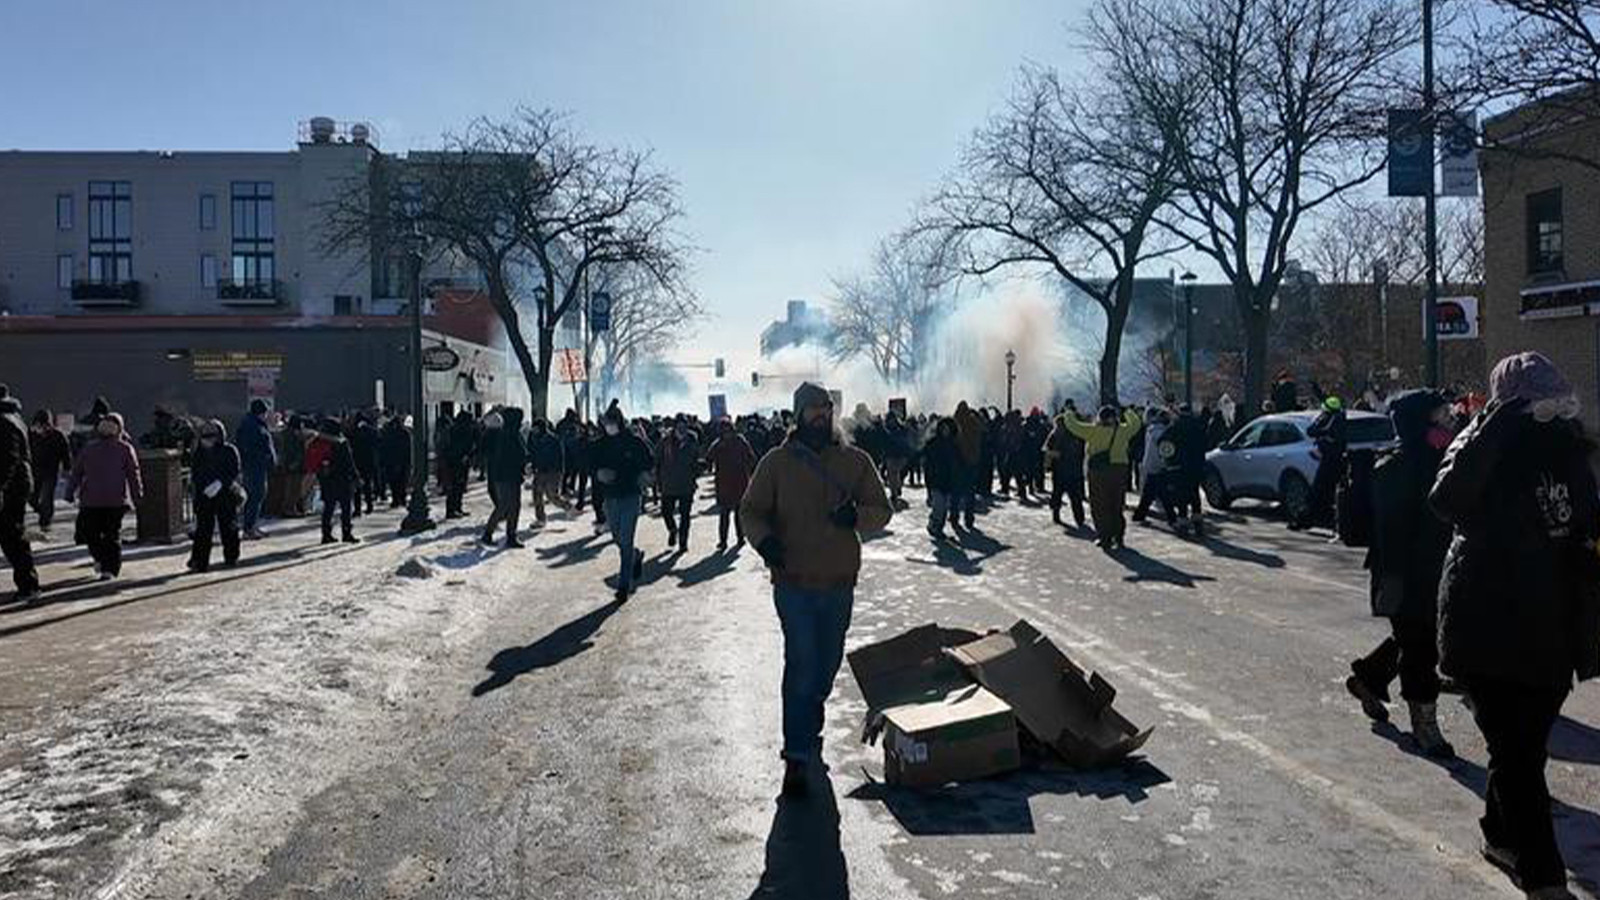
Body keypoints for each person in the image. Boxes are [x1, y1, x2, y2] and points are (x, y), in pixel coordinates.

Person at [1430, 353, 1599, 900]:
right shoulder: (1479, 447)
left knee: (1522, 751)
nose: (1541, 414)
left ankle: (1499, 836)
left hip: (1552, 630)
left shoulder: (1572, 453)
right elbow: (1445, 501)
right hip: (1487, 626)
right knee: (1518, 757)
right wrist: (1492, 427)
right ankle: (1546, 878)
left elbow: (1588, 531)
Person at [740, 382, 892, 797]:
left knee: (825, 665)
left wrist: (856, 517)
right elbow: (751, 510)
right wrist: (765, 541)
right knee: (802, 662)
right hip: (793, 582)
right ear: (797, 415)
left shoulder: (855, 461)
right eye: (811, 410)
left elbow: (882, 510)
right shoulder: (776, 463)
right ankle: (797, 753)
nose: (819, 415)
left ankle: (810, 722)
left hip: (839, 580)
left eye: (825, 408)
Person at [1344, 390, 1456, 757]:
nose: (1447, 420)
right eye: (1439, 415)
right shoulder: (1395, 467)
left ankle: (1369, 677)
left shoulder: (1444, 459)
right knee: (1421, 646)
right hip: (1404, 573)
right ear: (1419, 422)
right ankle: (1425, 726)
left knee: (1414, 638)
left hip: (1437, 568)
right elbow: (1394, 533)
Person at [66, 412, 142, 580]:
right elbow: (133, 474)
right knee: (111, 535)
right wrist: (137, 496)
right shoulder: (124, 449)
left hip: (92, 499)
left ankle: (103, 561)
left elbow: (76, 472)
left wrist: (70, 491)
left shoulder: (90, 448)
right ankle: (110, 567)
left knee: (92, 534)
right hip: (114, 500)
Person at [593, 405, 654, 601]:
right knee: (617, 538)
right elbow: (588, 462)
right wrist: (598, 473)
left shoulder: (634, 442)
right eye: (606, 423)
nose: (609, 426)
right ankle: (636, 556)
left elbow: (649, 461)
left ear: (619, 422)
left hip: (631, 495)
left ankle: (623, 586)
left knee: (625, 540)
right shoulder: (601, 444)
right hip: (610, 497)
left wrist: (644, 475)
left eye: (612, 422)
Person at [1063, 405, 1143, 549]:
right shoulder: (1123, 431)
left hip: (1099, 472)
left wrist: (1069, 412)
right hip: (1120, 470)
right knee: (1117, 504)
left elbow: (1073, 426)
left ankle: (1104, 537)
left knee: (1100, 504)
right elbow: (1136, 424)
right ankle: (1118, 537)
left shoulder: (1093, 431)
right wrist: (1127, 411)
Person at [0, 386, 40, 602]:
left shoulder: (4, 421)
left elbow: (8, 458)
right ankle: (28, 584)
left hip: (11, 487)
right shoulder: (14, 418)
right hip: (17, 484)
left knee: (12, 535)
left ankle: (29, 585)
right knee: (12, 535)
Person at [187, 419, 243, 572]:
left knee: (229, 527)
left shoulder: (229, 450)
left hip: (225, 493)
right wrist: (203, 488)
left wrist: (220, 483)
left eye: (212, 435)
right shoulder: (199, 452)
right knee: (203, 529)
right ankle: (199, 561)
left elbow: (233, 471)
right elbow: (196, 472)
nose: (208, 439)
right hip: (205, 495)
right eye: (205, 435)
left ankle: (231, 556)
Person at [1293, 396, 1348, 531]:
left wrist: (1323, 432)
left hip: (1329, 460)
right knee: (1334, 492)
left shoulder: (1328, 419)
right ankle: (1331, 520)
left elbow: (1311, 430)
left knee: (1318, 491)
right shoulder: (1341, 418)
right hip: (1342, 460)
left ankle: (1307, 520)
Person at [307, 418, 360, 545]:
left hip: (327, 479)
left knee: (329, 507)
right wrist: (356, 476)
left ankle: (326, 534)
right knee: (345, 507)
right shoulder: (341, 442)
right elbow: (349, 462)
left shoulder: (319, 440)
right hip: (342, 479)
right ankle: (346, 533)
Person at [480, 408, 528, 548]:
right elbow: (517, 454)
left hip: (504, 475)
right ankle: (502, 535)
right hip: (509, 475)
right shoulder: (510, 435)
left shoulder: (506, 433)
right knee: (509, 506)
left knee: (507, 506)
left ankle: (497, 534)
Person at [708, 419, 757, 551]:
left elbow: (751, 458)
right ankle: (725, 541)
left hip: (737, 482)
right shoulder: (720, 444)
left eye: (727, 430)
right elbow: (709, 458)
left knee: (736, 513)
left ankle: (739, 538)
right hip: (728, 483)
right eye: (724, 431)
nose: (726, 433)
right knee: (726, 514)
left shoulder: (736, 441)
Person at [657, 417, 701, 551]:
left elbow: (696, 459)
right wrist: (658, 480)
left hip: (686, 484)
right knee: (666, 512)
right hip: (668, 484)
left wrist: (697, 471)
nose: (682, 429)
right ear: (675, 427)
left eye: (684, 426)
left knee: (685, 515)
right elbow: (658, 460)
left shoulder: (692, 439)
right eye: (679, 426)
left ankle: (683, 542)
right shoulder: (666, 441)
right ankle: (672, 529)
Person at [236, 399, 277, 539]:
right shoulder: (252, 426)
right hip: (254, 467)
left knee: (257, 496)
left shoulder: (253, 424)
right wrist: (265, 457)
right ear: (261, 412)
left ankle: (252, 526)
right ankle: (249, 528)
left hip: (256, 466)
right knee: (255, 496)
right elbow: (252, 447)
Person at [1045, 401, 1087, 529]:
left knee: (1057, 493)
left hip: (1059, 469)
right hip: (1074, 469)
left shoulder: (1055, 434)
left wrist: (1050, 463)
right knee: (1075, 496)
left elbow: (1047, 450)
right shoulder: (1077, 433)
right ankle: (1079, 519)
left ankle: (1056, 515)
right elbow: (1082, 450)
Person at [28, 409, 70, 532]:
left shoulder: (58, 436)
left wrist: (67, 467)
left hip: (51, 471)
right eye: (39, 425)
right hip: (34, 470)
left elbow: (65, 452)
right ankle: (41, 511)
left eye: (44, 425)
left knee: (47, 496)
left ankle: (45, 522)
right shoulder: (31, 435)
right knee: (32, 497)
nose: (41, 428)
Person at [922, 416, 962, 540]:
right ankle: (933, 526)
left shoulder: (954, 444)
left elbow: (959, 463)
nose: (946, 431)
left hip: (949, 481)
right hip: (935, 480)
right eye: (944, 428)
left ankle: (938, 528)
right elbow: (922, 457)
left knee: (944, 507)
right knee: (938, 507)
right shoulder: (933, 443)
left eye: (948, 429)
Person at [527, 416, 566, 526]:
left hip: (552, 471)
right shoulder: (534, 438)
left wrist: (560, 472)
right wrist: (532, 465)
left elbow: (560, 457)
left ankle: (567, 507)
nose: (534, 430)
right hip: (539, 471)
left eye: (536, 428)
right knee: (537, 495)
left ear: (541, 428)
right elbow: (533, 454)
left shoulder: (553, 439)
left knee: (552, 496)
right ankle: (541, 519)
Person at [951, 402, 984, 530]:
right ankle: (969, 519)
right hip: (972, 461)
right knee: (969, 493)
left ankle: (954, 518)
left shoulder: (955, 422)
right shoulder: (973, 422)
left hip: (958, 463)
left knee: (956, 493)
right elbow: (983, 430)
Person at [350, 412, 382, 516]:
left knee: (357, 487)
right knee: (367, 484)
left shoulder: (353, 431)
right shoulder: (372, 431)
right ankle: (369, 505)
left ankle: (357, 508)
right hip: (369, 460)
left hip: (357, 460)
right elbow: (378, 442)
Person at [380, 414, 412, 508]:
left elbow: (384, 448)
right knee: (402, 482)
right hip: (402, 462)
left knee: (394, 483)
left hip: (391, 462)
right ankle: (401, 499)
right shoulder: (405, 433)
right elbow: (408, 449)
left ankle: (396, 499)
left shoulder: (388, 433)